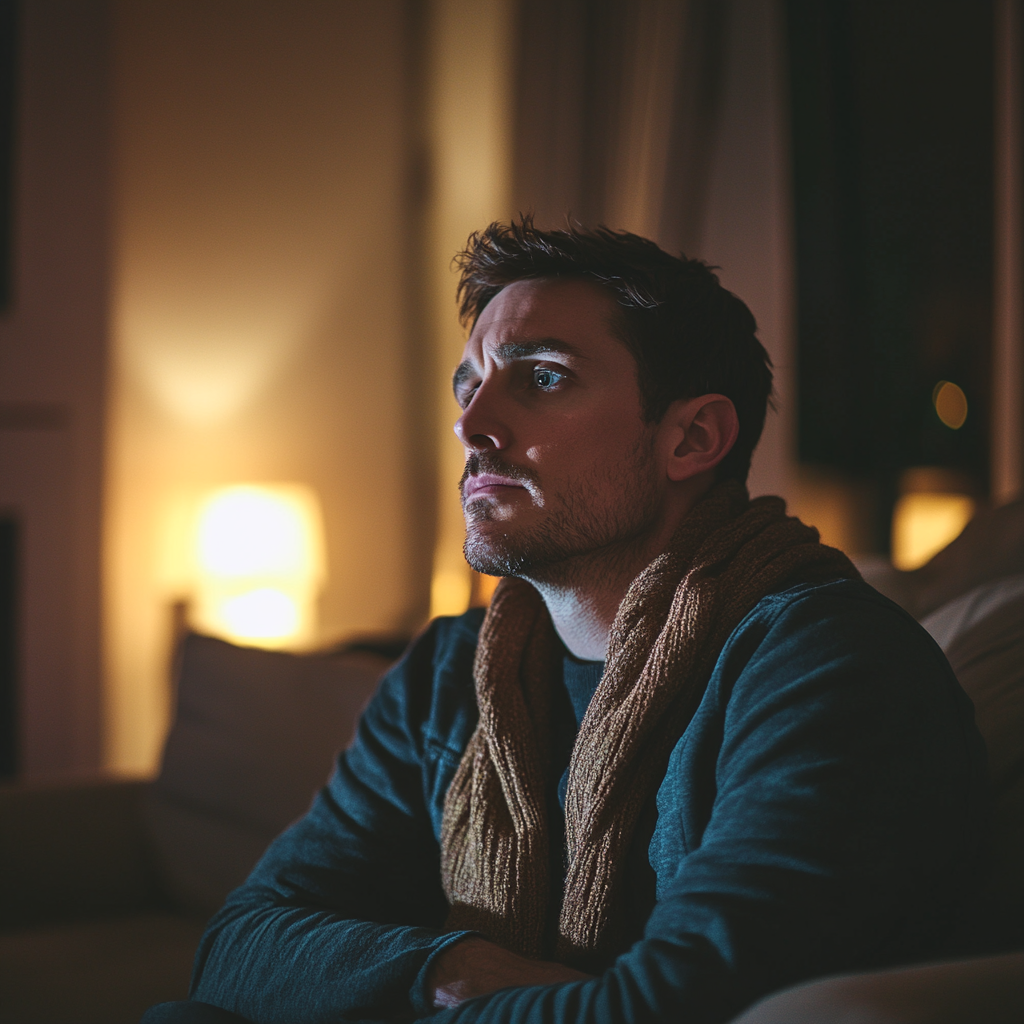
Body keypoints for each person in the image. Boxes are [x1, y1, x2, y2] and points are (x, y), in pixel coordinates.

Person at [145, 220, 989, 1024]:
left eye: (543, 377)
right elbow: (240, 941)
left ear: (692, 438)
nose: (472, 426)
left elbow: (671, 1009)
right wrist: (447, 971)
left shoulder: (825, 667)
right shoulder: (451, 670)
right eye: (470, 386)